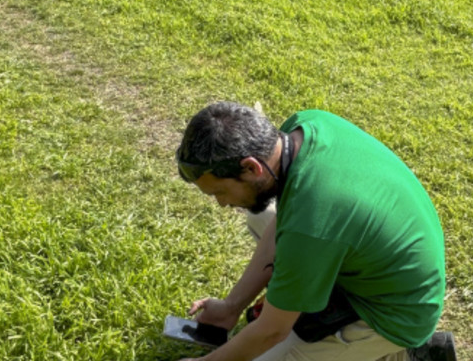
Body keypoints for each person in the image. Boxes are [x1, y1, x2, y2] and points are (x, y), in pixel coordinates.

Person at [174, 102, 447, 361]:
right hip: (375, 263)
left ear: (251, 167)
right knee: (261, 218)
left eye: (219, 192)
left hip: (394, 314)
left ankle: (403, 354)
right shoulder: (304, 127)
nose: (222, 204)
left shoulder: (311, 224)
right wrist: (230, 307)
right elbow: (285, 227)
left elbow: (272, 331)